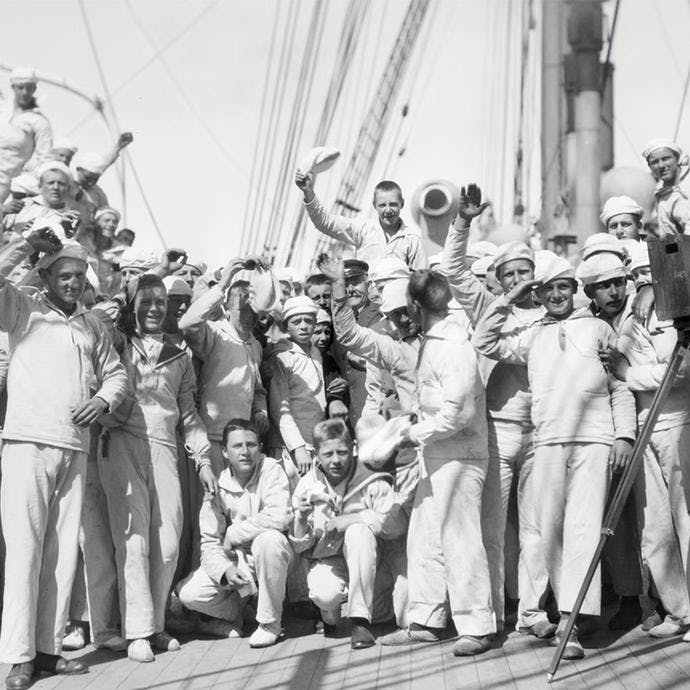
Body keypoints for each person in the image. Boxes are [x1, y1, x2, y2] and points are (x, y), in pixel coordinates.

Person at [472, 254, 637, 660]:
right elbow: (484, 341)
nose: (557, 295)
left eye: (563, 286)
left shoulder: (598, 328)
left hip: (595, 440)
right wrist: (511, 296)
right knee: (550, 531)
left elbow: (620, 384)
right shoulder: (533, 336)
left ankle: (570, 622)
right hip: (546, 442)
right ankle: (571, 610)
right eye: (548, 289)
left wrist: (624, 436)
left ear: (574, 289)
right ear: (538, 294)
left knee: (583, 528)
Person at [0, 230, 127, 690]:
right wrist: (26, 246)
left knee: (59, 558)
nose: (73, 283)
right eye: (64, 275)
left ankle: (49, 651)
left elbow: (116, 375)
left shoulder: (92, 324)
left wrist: (103, 400)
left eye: (79, 276)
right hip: (26, 443)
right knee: (25, 552)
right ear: (46, 276)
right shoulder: (22, 309)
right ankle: (17, 658)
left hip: (74, 446)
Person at [440, 183, 550, 637]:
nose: (518, 280)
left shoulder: (554, 309)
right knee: (490, 530)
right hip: (498, 432)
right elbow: (451, 269)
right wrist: (463, 222)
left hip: (541, 431)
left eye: (526, 271)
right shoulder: (488, 305)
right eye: (510, 274)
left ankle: (532, 611)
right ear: (501, 279)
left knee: (536, 529)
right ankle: (491, 619)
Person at [98, 273, 217, 663]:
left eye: (160, 303)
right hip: (122, 443)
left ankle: (157, 622)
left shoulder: (180, 355)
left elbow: (189, 414)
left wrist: (202, 460)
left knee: (167, 544)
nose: (153, 309)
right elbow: (96, 325)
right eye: (145, 301)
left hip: (166, 448)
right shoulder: (118, 343)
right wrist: (118, 300)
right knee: (133, 543)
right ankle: (138, 632)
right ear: (132, 306)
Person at [381, 270, 495, 657]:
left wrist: (416, 433)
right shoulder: (436, 340)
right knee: (425, 538)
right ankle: (427, 621)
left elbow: (459, 412)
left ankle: (477, 626)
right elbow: (437, 401)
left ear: (415, 306)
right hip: (437, 455)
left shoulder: (453, 344)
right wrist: (410, 414)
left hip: (460, 456)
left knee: (461, 540)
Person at [599, 245, 690, 639]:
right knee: (655, 527)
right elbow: (613, 369)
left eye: (649, 274)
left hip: (677, 421)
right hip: (642, 427)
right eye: (636, 275)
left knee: (686, 519)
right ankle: (679, 610)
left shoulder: (682, 317)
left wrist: (628, 372)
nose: (643, 282)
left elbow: (680, 370)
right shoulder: (628, 322)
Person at [177, 419, 292, 648]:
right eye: (237, 446)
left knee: (269, 541)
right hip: (237, 564)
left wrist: (234, 533)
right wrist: (225, 570)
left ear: (259, 447)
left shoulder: (271, 469)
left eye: (251, 444)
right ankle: (242, 609)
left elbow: (281, 516)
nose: (245, 451)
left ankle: (269, 623)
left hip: (272, 558)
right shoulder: (217, 485)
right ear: (225, 452)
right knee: (189, 594)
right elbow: (209, 542)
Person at [291, 419, 399, 650]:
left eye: (342, 452)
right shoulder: (307, 485)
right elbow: (300, 548)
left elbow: (395, 525)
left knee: (358, 531)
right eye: (328, 454)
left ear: (353, 448)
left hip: (374, 564)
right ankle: (330, 615)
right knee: (324, 595)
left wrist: (353, 518)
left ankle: (360, 622)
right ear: (316, 455)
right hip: (330, 562)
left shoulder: (371, 478)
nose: (336, 460)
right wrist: (300, 518)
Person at [178, 256, 269, 476]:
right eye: (243, 308)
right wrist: (222, 284)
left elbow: (257, 389)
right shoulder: (216, 332)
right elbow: (187, 324)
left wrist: (261, 411)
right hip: (211, 436)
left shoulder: (255, 345)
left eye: (254, 309)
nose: (250, 315)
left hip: (241, 440)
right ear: (228, 308)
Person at [295, 172, 427, 269]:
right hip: (367, 301)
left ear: (402, 204)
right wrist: (308, 192)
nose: (388, 210)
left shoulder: (412, 239)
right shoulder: (363, 229)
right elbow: (324, 222)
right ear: (374, 205)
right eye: (382, 205)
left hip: (398, 302)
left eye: (393, 204)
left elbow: (421, 277)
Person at [268, 296, 326, 482]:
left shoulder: (315, 352)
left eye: (308, 321)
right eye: (296, 321)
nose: (303, 326)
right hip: (290, 447)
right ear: (286, 326)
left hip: (314, 441)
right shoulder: (283, 356)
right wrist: (297, 447)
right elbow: (279, 408)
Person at [0, 68, 53, 204]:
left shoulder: (39, 122)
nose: (24, 92)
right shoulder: (2, 110)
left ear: (34, 89)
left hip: (6, 187)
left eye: (29, 88)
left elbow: (44, 161)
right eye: (20, 87)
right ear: (13, 87)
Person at [642, 139, 690, 237]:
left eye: (666, 158)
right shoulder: (663, 196)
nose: (661, 165)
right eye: (655, 162)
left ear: (677, 159)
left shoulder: (686, 186)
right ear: (650, 166)